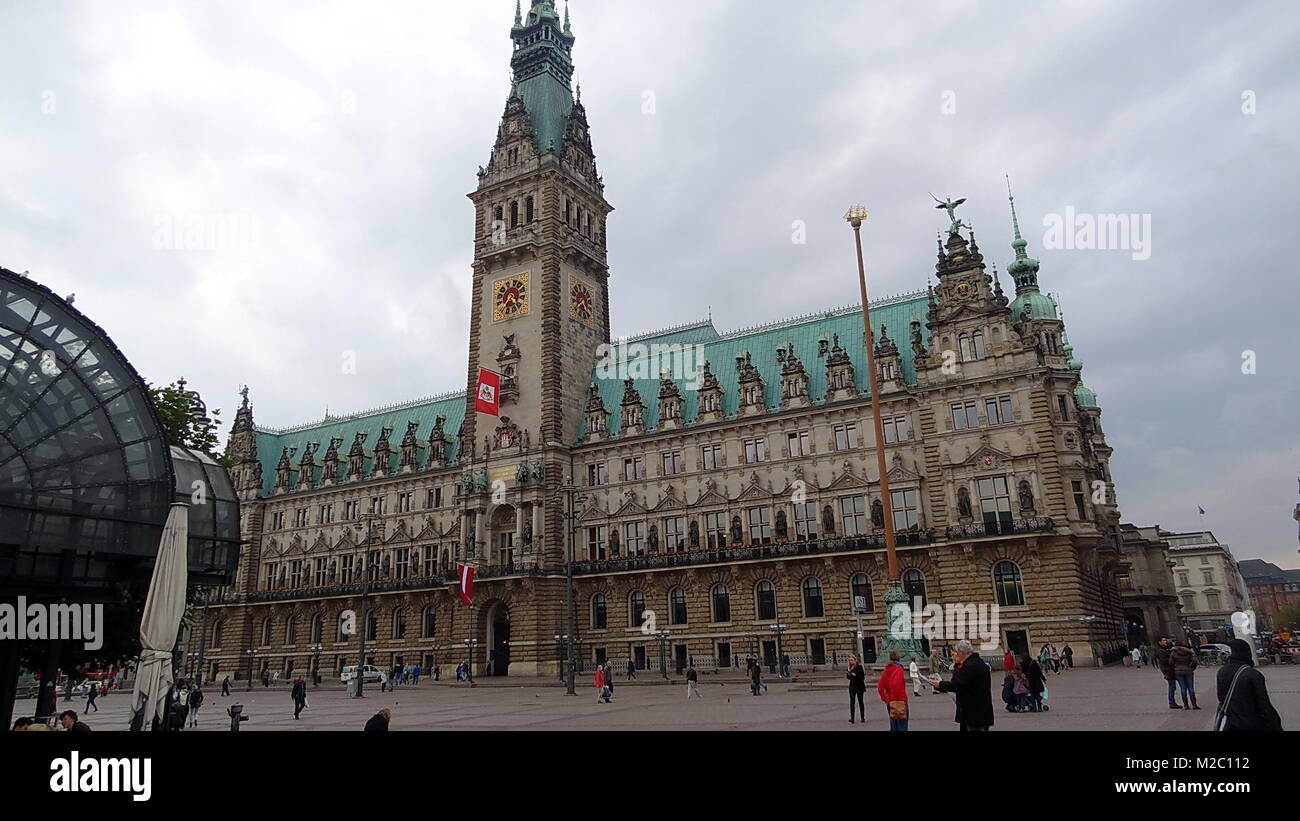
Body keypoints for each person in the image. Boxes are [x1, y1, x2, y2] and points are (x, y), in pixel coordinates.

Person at [1215, 639, 1282, 731]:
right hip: (1251, 724)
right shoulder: (1252, 674)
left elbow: (1221, 698)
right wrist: (1275, 726)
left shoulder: (1222, 671)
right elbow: (1264, 706)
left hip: (1230, 724)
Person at [929, 639, 993, 731]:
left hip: (974, 713)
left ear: (963, 653)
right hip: (978, 712)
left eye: (957, 653)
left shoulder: (970, 666)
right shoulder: (978, 663)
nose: (957, 656)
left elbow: (958, 685)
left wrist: (940, 684)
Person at [876, 651, 909, 731]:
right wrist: (900, 698)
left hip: (890, 702)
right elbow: (896, 684)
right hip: (900, 701)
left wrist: (886, 699)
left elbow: (880, 687)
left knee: (893, 726)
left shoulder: (886, 670)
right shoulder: (899, 668)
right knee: (902, 726)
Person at [1169, 640, 1199, 709]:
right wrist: (1191, 668)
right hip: (1188, 671)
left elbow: (1171, 663)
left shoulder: (1173, 653)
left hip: (1178, 672)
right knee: (1191, 688)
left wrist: (1175, 668)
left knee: (1183, 688)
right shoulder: (1188, 652)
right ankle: (1194, 704)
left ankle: (1186, 705)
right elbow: (1194, 661)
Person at [1154, 638, 1178, 708]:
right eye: (1164, 640)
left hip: (1170, 670)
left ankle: (1172, 702)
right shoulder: (1161, 651)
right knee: (1171, 687)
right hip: (1168, 671)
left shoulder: (1165, 649)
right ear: (1159, 642)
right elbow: (1165, 661)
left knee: (1173, 687)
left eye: (1166, 640)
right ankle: (1172, 703)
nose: (1166, 642)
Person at [846, 654, 866, 724]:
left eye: (852, 660)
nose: (851, 662)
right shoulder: (850, 668)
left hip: (859, 686)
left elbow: (862, 677)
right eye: (849, 660)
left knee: (860, 702)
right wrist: (849, 674)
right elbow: (848, 678)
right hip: (852, 686)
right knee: (852, 702)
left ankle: (862, 717)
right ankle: (852, 718)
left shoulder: (859, 667)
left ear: (855, 660)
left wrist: (855, 675)